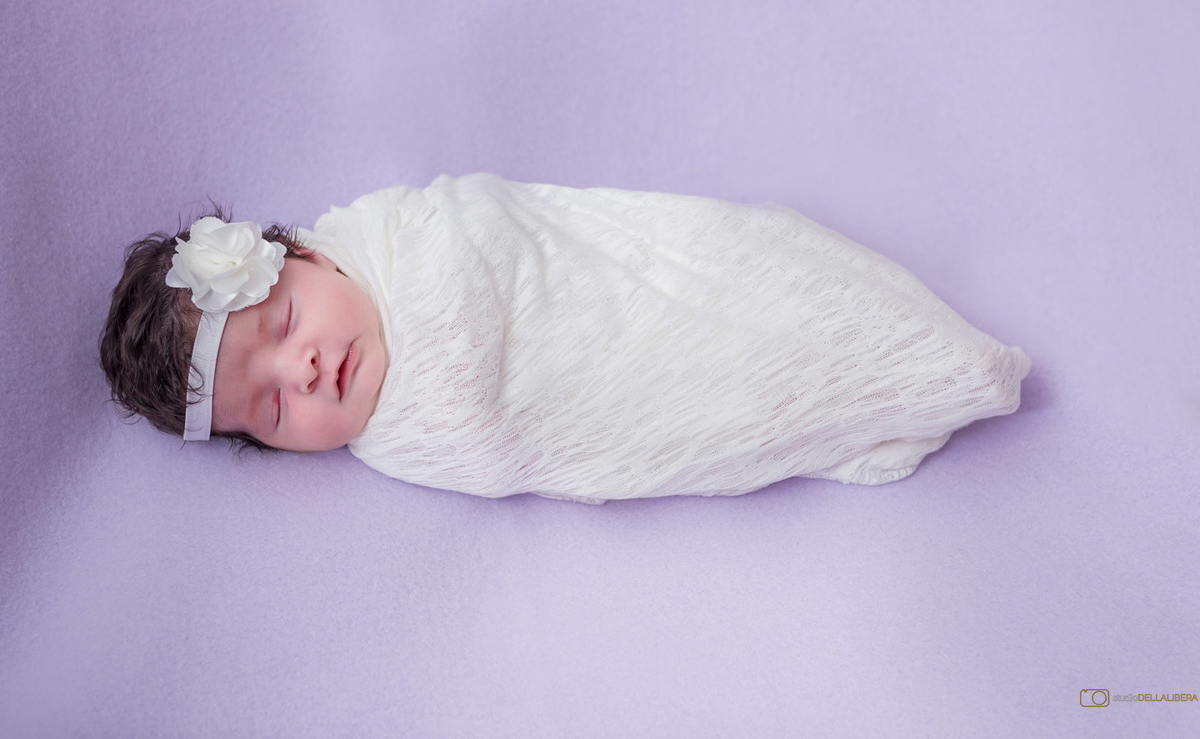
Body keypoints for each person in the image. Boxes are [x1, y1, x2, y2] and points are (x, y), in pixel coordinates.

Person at [100, 173, 1030, 503]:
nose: (303, 370)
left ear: (307, 255)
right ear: (272, 448)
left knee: (743, 273)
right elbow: (498, 441)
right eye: (270, 407)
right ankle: (856, 403)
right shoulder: (402, 443)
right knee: (734, 386)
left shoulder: (399, 232)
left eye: (286, 323)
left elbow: (509, 230)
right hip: (626, 389)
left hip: (623, 284)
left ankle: (907, 358)